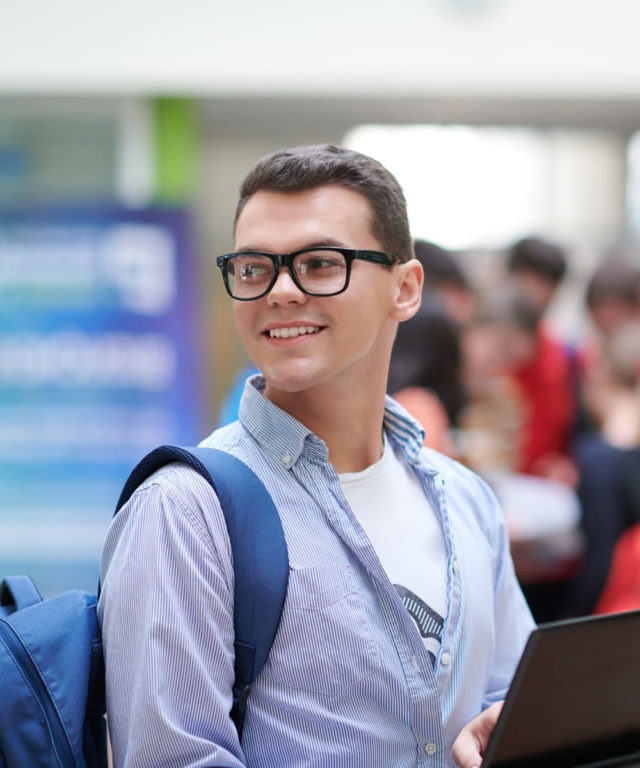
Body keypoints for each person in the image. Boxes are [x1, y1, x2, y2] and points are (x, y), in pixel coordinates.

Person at [98, 144, 535, 768]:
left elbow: (506, 699)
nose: (279, 292)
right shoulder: (185, 513)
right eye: (253, 269)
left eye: (320, 264)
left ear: (405, 289)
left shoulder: (462, 498)